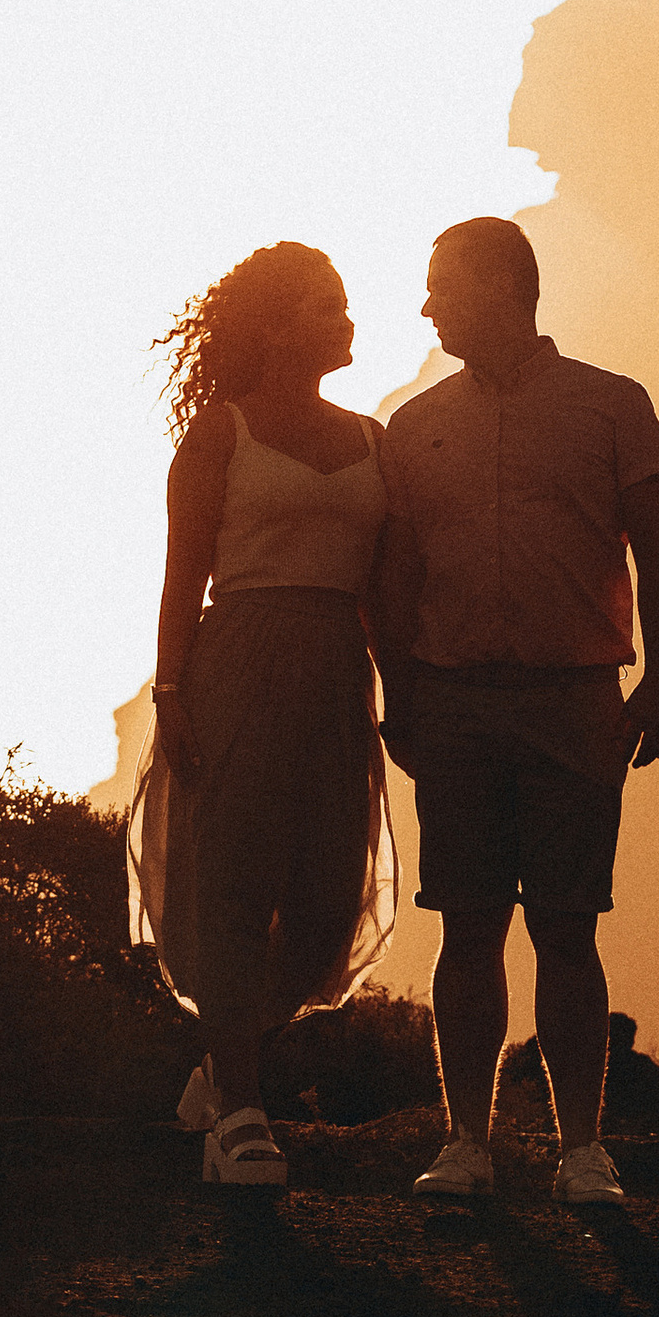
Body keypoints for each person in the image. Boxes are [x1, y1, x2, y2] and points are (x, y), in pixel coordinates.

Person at [380, 216, 659, 1206]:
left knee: (566, 923)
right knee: (464, 923)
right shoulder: (411, 425)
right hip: (455, 698)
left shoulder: (611, 408)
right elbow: (392, 577)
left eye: (441, 285)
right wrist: (400, 694)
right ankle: (467, 1142)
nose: (426, 305)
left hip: (574, 697)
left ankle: (580, 1149)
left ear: (498, 284)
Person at [127, 241, 401, 1187]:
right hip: (238, 660)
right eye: (327, 306)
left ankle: (220, 1059)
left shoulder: (373, 440)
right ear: (277, 326)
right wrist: (169, 694)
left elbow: (385, 592)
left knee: (327, 901)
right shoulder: (222, 434)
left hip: (335, 671)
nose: (348, 320)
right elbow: (179, 581)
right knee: (233, 886)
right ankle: (241, 1115)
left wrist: (397, 691)